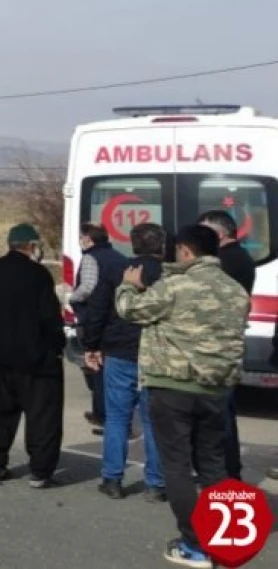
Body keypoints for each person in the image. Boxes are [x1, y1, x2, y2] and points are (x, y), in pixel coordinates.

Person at [114, 224, 250, 567]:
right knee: (213, 465)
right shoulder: (236, 291)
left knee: (176, 466)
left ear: (186, 251)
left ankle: (195, 545)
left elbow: (131, 311)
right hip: (217, 389)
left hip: (172, 386)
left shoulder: (174, 286)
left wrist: (128, 287)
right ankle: (226, 537)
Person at [0, 223, 65, 488]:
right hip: (36, 361)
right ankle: (40, 471)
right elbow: (50, 318)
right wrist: (57, 346)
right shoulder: (39, 275)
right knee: (42, 417)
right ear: (32, 246)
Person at [81, 223, 166, 502]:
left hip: (119, 351)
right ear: (162, 245)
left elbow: (97, 310)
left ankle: (113, 479)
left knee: (117, 418)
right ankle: (155, 483)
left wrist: (91, 345)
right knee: (153, 421)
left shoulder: (117, 270)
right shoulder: (170, 275)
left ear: (133, 245)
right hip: (157, 354)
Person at [198, 209, 255, 482]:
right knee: (224, 412)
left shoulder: (224, 263)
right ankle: (227, 472)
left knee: (217, 416)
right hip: (229, 344)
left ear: (219, 234)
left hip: (218, 346)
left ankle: (224, 474)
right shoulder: (241, 257)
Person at [69, 223, 123, 433]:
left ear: (88, 239)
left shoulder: (91, 257)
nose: (80, 242)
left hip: (96, 318)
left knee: (97, 368)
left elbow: (88, 287)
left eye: (81, 237)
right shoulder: (117, 256)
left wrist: (71, 298)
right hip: (117, 318)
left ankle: (102, 414)